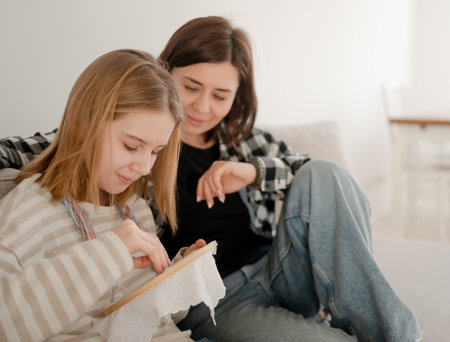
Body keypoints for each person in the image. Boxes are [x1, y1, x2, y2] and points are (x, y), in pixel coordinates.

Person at [0, 17, 421, 342]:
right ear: (166, 75)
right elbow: (59, 147)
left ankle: (397, 333)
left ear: (238, 97)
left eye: (221, 96)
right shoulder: (129, 134)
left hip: (275, 267)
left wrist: (253, 173)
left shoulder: (243, 142)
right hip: (220, 299)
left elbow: (321, 183)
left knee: (324, 173)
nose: (203, 107)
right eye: (191, 87)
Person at [0, 49, 216, 342]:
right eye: (131, 146)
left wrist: (175, 276)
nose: (143, 167)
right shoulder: (30, 206)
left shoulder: (136, 208)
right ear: (84, 123)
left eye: (155, 152)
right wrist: (111, 250)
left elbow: (153, 316)